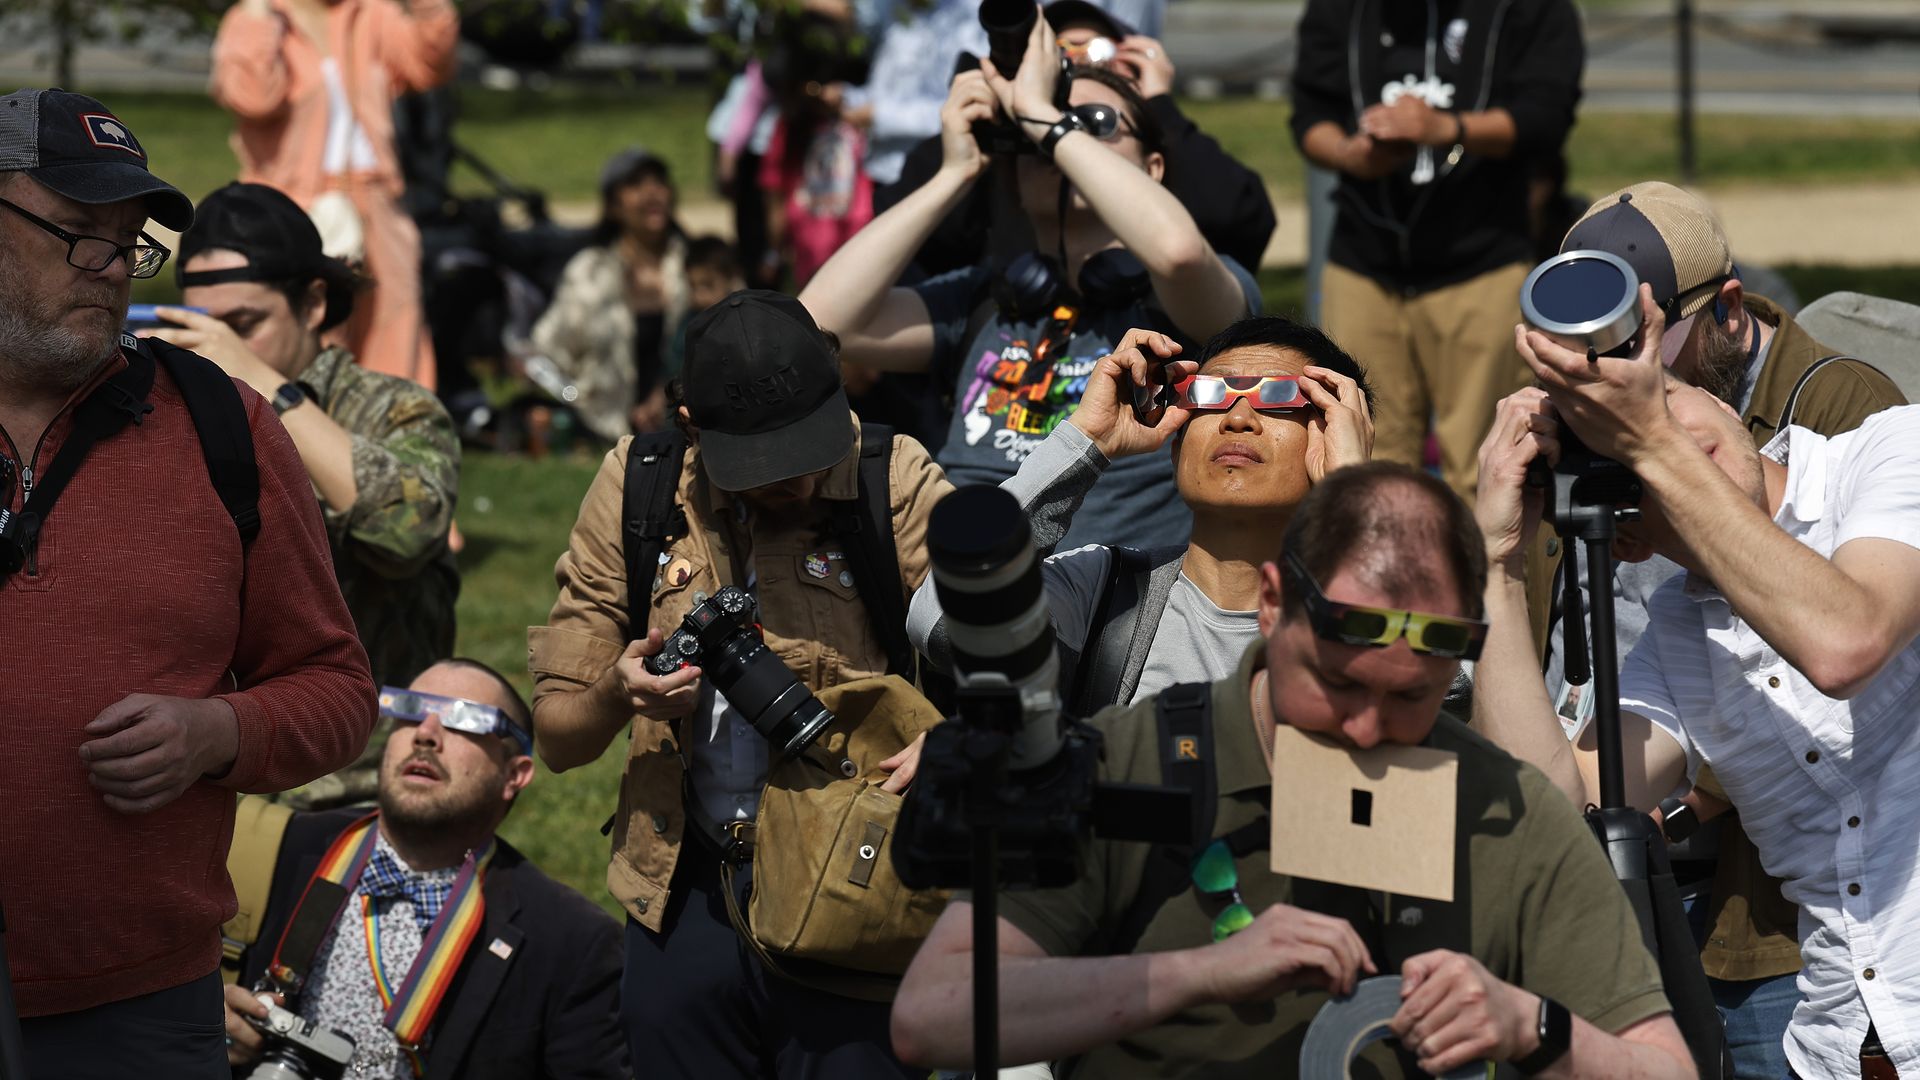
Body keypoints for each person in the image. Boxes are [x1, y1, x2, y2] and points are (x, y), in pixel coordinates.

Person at [890, 461, 1693, 1078]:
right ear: (1272, 604)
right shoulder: (1136, 760)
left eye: (1413, 697)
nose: (1369, 727)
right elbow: (934, 1013)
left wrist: (1533, 1024)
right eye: (1338, 683)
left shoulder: (1505, 808)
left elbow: (1664, 1066)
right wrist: (1197, 975)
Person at [0, 87, 377, 1077]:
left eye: (129, 242)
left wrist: (218, 733)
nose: (114, 267)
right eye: (80, 234)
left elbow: (338, 690)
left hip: (144, 1006)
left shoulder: (223, 427)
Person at [1471, 284, 1920, 1080]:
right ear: (1628, 540)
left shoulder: (1889, 451)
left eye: (1668, 400)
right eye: (1631, 451)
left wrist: (1645, 439)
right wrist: (1497, 571)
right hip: (1835, 1051)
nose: (1671, 433)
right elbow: (1557, 810)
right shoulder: (1677, 632)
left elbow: (1848, 639)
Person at [528, 290, 954, 1077]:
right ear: (693, 427)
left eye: (808, 446)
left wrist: (956, 739)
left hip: (854, 886)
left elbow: (1010, 651)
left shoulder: (889, 478)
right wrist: (619, 694)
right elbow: (556, 738)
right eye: (764, 463)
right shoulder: (639, 487)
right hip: (681, 889)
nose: (794, 479)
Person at [802, 11, 1260, 553]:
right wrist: (955, 172)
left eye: (1094, 122)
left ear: (1154, 167)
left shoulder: (1186, 300)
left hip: (1107, 618)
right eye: (1034, 134)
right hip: (964, 603)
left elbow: (1179, 254)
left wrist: (1041, 114)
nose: (1058, 142)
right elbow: (817, 325)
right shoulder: (984, 300)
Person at [143, 180, 460, 809]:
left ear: (314, 303)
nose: (219, 348)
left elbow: (408, 528)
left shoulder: (393, 410)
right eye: (204, 328)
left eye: (244, 325)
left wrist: (260, 385)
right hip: (213, 779)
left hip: (359, 785)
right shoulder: (174, 413)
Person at [911, 317, 1373, 712]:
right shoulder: (1104, 591)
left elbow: (1442, 675)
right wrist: (1085, 439)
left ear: (1336, 436)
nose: (1237, 418)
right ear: (1176, 447)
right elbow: (940, 624)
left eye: (1277, 395)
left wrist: (1352, 496)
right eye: (1211, 394)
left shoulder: (1370, 602)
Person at [224, 659, 629, 1079]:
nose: (426, 734)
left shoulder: (573, 942)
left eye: (465, 721)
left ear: (515, 774)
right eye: (410, 710)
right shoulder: (275, 847)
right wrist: (207, 1027)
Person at [1290, 0, 1583, 503]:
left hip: (1481, 259)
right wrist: (1349, 156)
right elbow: (1310, 114)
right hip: (1364, 262)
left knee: (1489, 467)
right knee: (1367, 470)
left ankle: (1485, 582)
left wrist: (1447, 128)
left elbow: (1545, 117)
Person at [878, 0, 1276, 280]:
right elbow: (918, 249)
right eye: (1059, 52)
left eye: (1098, 121)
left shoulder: (1181, 291)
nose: (1079, 63)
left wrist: (1160, 108)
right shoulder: (979, 299)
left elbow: (1239, 218)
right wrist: (969, 152)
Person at [210, 0, 459, 389]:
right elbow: (252, 98)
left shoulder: (369, 13)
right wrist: (258, 18)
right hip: (292, 205)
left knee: (394, 330)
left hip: (376, 200)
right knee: (311, 332)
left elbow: (430, 64)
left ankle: (397, 441)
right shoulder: (257, 18)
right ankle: (302, 442)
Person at [529, 148, 690, 441]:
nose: (652, 192)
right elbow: (547, 351)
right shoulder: (588, 271)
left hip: (684, 426)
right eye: (636, 184)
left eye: (659, 182)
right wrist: (573, 397)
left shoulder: (695, 267)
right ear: (613, 205)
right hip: (602, 426)